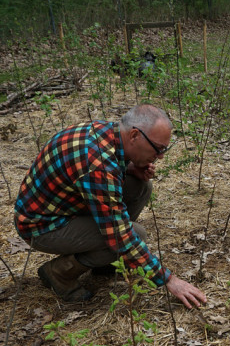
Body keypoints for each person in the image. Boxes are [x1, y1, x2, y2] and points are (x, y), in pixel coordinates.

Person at [14, 104, 207, 309]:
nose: (160, 156)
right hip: (42, 226)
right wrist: (168, 280)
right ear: (134, 135)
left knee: (140, 186)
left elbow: (104, 175)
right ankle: (59, 273)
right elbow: (119, 233)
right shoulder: (97, 163)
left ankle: (104, 261)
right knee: (135, 234)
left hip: (66, 207)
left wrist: (130, 168)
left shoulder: (107, 133)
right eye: (158, 148)